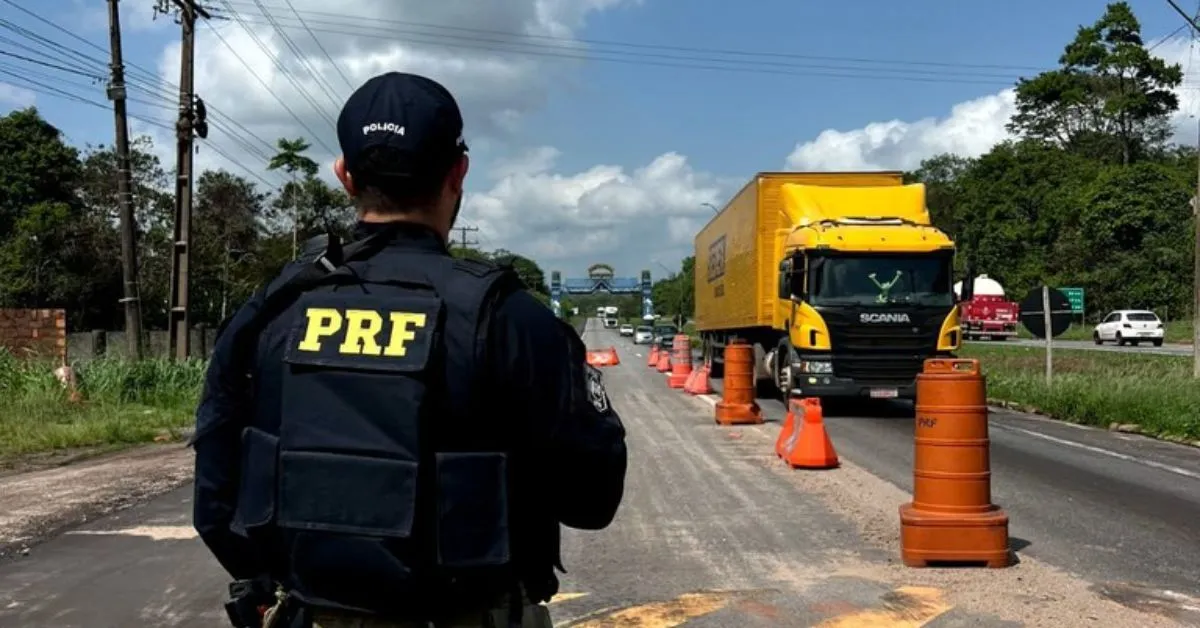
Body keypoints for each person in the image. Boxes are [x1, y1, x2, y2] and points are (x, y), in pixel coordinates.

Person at [191, 71, 628, 628]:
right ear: (458, 172)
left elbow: (214, 502)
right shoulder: (510, 319)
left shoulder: (274, 311)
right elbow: (592, 500)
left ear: (345, 176)